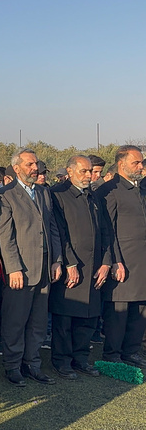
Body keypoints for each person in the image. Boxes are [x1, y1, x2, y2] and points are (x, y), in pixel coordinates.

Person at [0, 148, 62, 386]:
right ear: (17, 167)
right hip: (20, 271)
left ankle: (32, 364)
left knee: (38, 322)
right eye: (30, 164)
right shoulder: (4, 195)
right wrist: (13, 268)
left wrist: (56, 260)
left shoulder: (43, 192)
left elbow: (52, 227)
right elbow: (6, 236)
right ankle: (12, 366)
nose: (35, 168)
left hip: (44, 268)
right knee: (15, 321)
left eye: (36, 164)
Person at [49, 155, 111, 378]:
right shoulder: (57, 194)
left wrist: (106, 262)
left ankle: (81, 358)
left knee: (88, 318)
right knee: (65, 318)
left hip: (94, 267)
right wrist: (70, 263)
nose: (89, 176)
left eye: (90, 171)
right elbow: (59, 233)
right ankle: (62, 361)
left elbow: (105, 231)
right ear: (70, 171)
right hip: (71, 268)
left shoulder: (93, 196)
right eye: (84, 171)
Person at [95, 145, 146, 369]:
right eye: (136, 162)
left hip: (141, 260)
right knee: (119, 310)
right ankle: (113, 353)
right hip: (122, 260)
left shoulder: (140, 189)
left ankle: (132, 351)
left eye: (141, 162)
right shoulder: (110, 190)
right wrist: (115, 260)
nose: (141, 166)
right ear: (121, 164)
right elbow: (107, 229)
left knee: (140, 308)